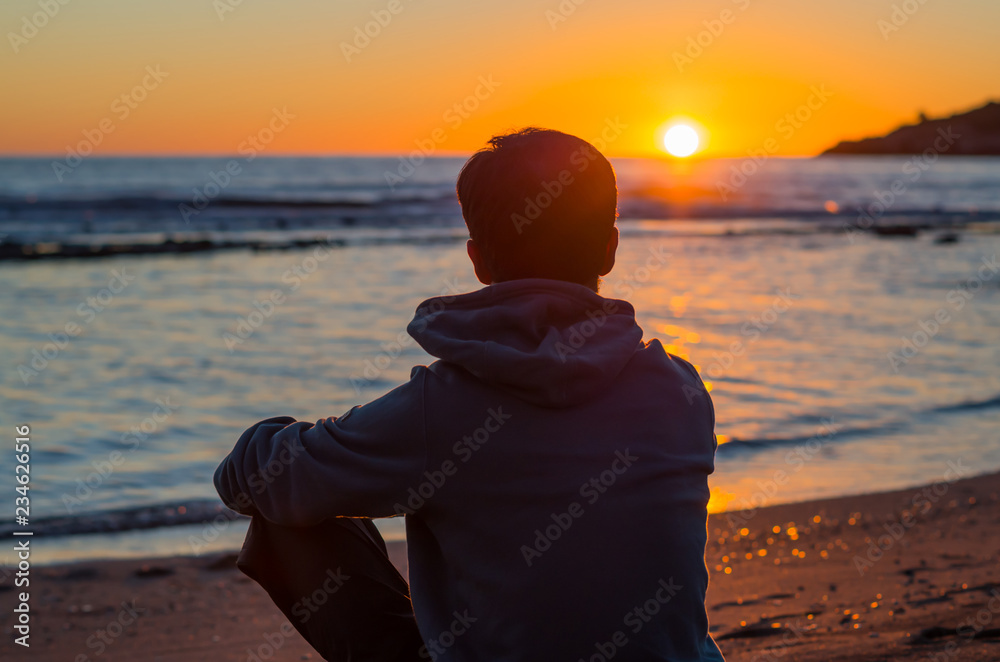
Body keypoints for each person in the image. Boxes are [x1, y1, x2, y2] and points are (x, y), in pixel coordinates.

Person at [214, 128, 725, 661]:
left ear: (477, 259)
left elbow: (251, 481)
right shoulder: (681, 390)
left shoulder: (441, 408)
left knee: (288, 516)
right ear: (610, 249)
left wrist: (286, 437)